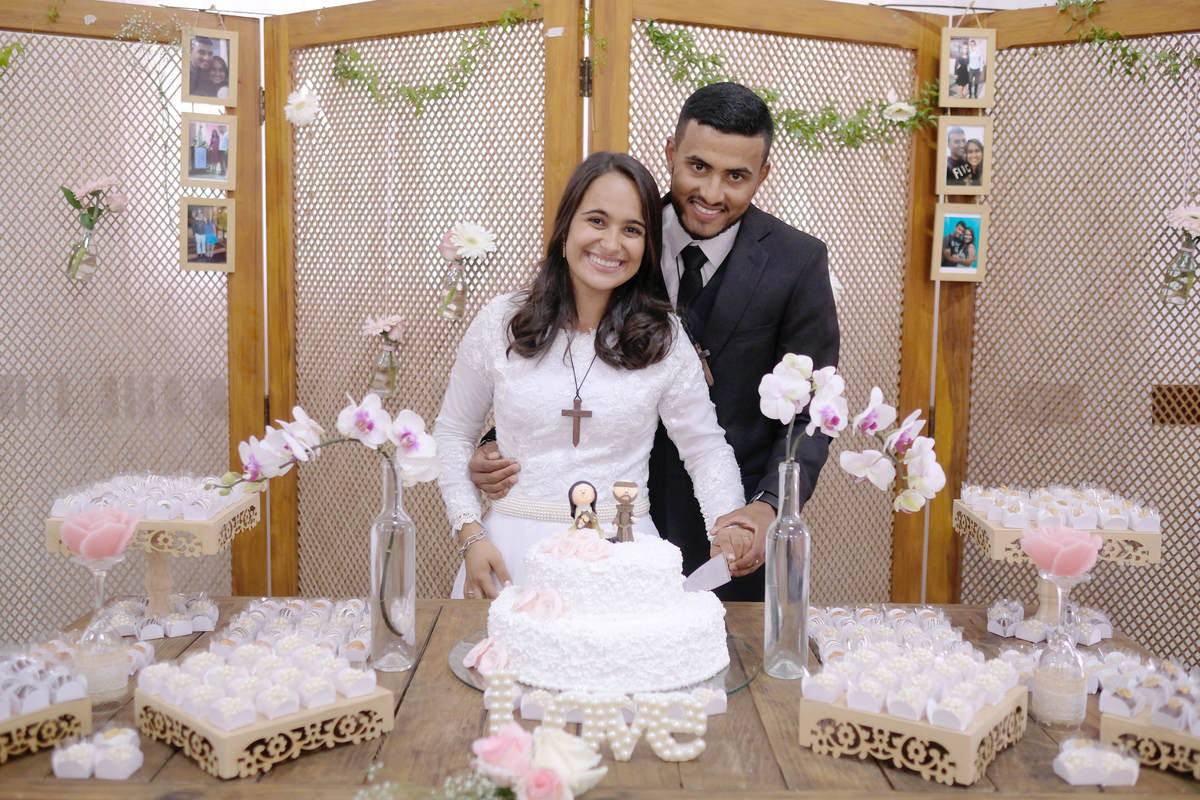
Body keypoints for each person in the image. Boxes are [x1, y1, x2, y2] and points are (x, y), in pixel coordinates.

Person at [469, 82, 840, 602]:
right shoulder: (619, 234)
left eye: (736, 176)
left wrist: (768, 504)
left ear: (762, 175)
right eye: (698, 167)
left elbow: (811, 413)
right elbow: (562, 354)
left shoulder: (797, 263)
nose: (712, 193)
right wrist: (496, 445)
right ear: (671, 153)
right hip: (613, 523)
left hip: (727, 526)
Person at [434, 151, 746, 599]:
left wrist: (727, 523)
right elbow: (453, 433)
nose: (612, 244)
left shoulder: (665, 338)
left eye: (632, 230)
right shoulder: (501, 322)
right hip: (508, 558)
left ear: (648, 246)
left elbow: (705, 448)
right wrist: (470, 536)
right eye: (597, 221)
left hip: (624, 558)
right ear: (566, 228)